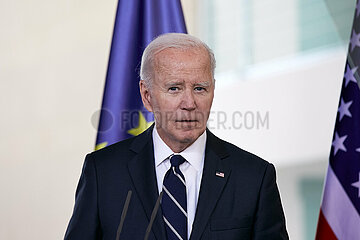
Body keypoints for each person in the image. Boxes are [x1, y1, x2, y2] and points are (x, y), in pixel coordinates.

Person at [65, 33, 289, 240]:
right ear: (147, 96)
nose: (190, 103)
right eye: (174, 88)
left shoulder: (254, 177)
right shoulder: (103, 172)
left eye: (200, 88)